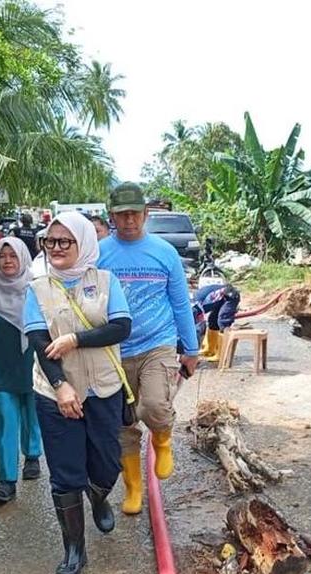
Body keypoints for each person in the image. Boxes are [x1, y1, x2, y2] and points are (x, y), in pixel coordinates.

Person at [24, 211, 132, 574]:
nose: (55, 248)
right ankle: (74, 549)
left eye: (64, 241)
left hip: (103, 388)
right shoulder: (36, 287)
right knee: (66, 472)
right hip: (54, 392)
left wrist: (76, 339)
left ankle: (99, 495)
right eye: (49, 242)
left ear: (83, 243)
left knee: (107, 462)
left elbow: (121, 327)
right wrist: (60, 386)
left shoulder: (105, 280)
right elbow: (39, 342)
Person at [98, 182, 199, 516]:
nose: (129, 221)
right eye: (122, 215)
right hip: (114, 349)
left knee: (154, 404)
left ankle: (163, 437)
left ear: (145, 214)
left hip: (158, 343)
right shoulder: (99, 254)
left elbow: (181, 304)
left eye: (135, 214)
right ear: (112, 216)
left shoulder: (164, 252)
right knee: (123, 423)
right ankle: (133, 489)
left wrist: (191, 349)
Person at [0, 237, 44, 505]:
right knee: (5, 420)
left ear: (23, 258)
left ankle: (32, 455)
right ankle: (6, 481)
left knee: (33, 413)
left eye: (13, 256)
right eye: (2, 256)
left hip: (34, 363)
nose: (7, 261)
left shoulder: (38, 290)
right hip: (0, 368)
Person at [195, 283, 242, 362]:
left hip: (230, 296)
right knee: (212, 321)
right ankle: (210, 349)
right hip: (219, 299)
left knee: (223, 321)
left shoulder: (191, 307)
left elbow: (196, 329)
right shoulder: (190, 304)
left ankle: (221, 354)